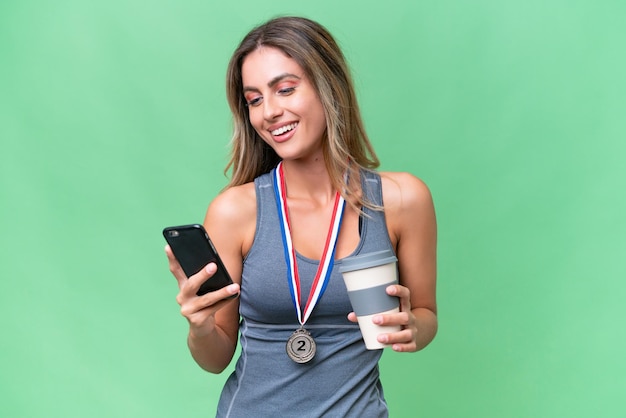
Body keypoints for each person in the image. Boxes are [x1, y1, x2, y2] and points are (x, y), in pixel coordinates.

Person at [165, 16, 437, 417]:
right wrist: (201, 326)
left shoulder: (402, 199)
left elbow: (427, 315)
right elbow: (214, 358)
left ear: (328, 86)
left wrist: (414, 327)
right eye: (254, 99)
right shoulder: (234, 211)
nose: (269, 112)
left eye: (285, 89)